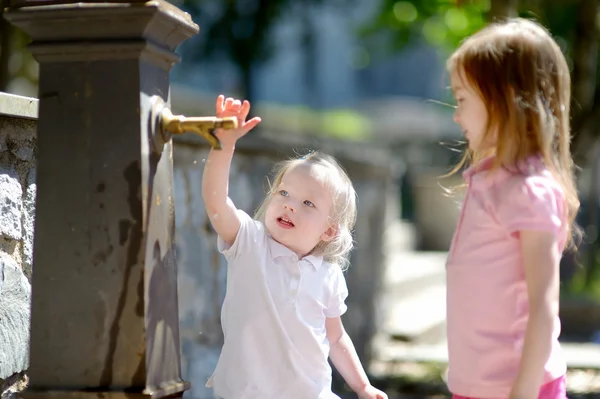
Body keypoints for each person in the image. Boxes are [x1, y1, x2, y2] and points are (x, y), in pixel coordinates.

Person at [202, 94, 388, 399]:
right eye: (284, 193)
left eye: (307, 203)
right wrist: (224, 145)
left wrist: (362, 385)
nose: (289, 206)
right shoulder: (249, 243)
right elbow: (216, 201)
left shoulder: (328, 275)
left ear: (329, 229)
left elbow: (336, 337)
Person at [444, 17, 580, 399]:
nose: (456, 115)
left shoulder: (529, 191)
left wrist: (522, 392)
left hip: (521, 389)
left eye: (461, 99)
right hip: (475, 387)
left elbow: (543, 304)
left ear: (502, 99)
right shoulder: (487, 180)